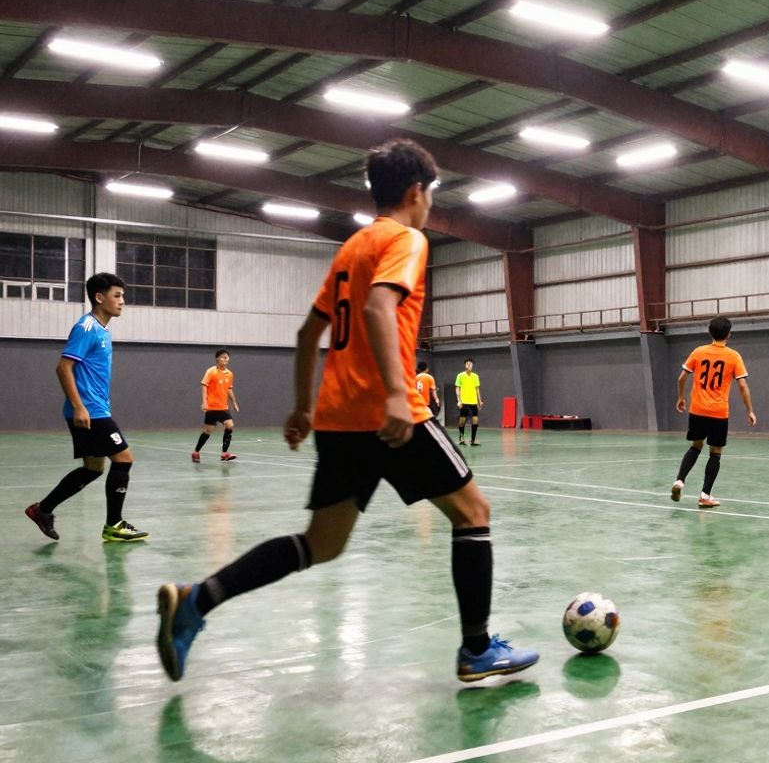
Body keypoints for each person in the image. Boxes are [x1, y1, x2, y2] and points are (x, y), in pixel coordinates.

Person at [155, 138, 537, 684]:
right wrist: (396, 394)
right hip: (389, 417)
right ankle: (476, 650)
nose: (430, 203)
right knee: (473, 512)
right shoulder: (406, 239)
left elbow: (307, 332)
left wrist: (302, 407)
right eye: (431, 193)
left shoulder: (353, 247)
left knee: (322, 544)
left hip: (337, 419)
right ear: (416, 192)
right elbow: (380, 307)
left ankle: (196, 600)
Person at [23, 272, 148, 543]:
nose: (122, 301)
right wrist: (79, 407)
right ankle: (114, 525)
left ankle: (42, 509)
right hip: (90, 411)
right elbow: (63, 368)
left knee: (93, 468)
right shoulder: (87, 327)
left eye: (123, 296)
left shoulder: (102, 329)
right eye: (117, 296)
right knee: (124, 459)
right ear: (99, 297)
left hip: (95, 408)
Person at [670, 316, 756, 508]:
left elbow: (681, 378)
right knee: (715, 453)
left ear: (710, 333)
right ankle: (705, 495)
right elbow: (743, 386)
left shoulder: (698, 352)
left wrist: (681, 398)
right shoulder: (733, 356)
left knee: (695, 446)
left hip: (697, 410)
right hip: (718, 412)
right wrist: (750, 410)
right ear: (729, 334)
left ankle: (679, 480)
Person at [192, 349, 240, 463]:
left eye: (227, 357)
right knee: (208, 431)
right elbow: (204, 385)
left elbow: (229, 389)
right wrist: (204, 402)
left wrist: (234, 402)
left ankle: (224, 453)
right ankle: (196, 452)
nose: (226, 359)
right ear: (217, 358)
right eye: (223, 357)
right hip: (212, 407)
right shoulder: (211, 371)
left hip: (223, 407)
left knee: (230, 426)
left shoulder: (229, 374)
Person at [454, 359, 482, 446]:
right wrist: (459, 400)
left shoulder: (475, 376)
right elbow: (457, 388)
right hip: (464, 402)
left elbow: (477, 389)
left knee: (475, 420)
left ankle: (473, 440)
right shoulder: (460, 375)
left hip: (473, 402)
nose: (469, 365)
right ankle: (461, 438)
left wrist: (480, 401)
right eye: (468, 364)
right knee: (462, 421)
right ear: (465, 365)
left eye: (471, 364)